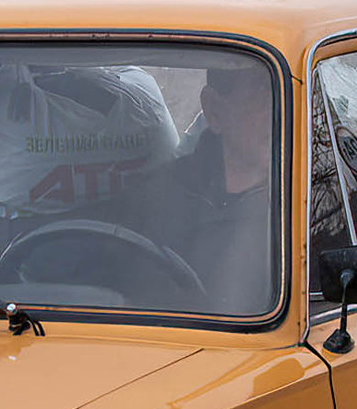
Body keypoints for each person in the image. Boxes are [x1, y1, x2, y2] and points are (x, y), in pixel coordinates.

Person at [105, 64, 277, 315]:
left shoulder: (312, 201)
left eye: (277, 95)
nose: (281, 112)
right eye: (261, 96)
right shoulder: (151, 197)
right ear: (214, 110)